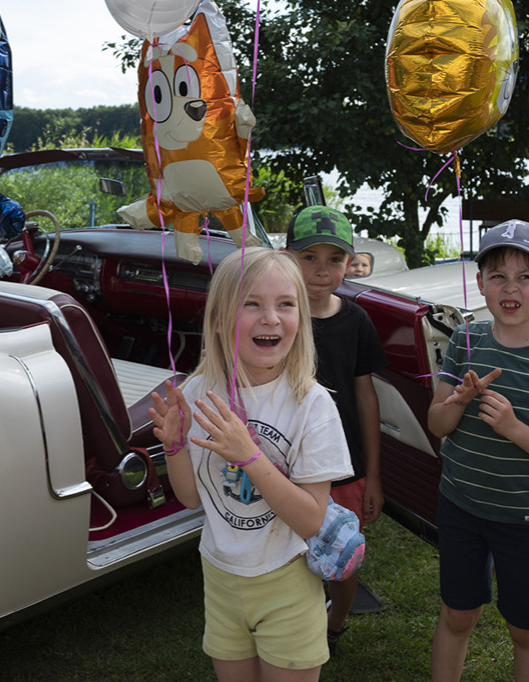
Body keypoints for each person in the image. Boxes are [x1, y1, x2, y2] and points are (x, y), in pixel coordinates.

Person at [150, 247, 353, 681]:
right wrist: (174, 448)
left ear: (302, 317)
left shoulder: (311, 405)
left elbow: (312, 519)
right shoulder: (200, 390)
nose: (271, 318)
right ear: (221, 319)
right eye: (252, 304)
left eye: (285, 304)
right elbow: (189, 499)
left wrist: (250, 457)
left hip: (287, 583)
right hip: (221, 579)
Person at [427, 220, 529, 681]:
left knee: (526, 630)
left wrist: (514, 428)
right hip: (461, 507)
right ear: (480, 284)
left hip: (525, 518)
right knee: (457, 615)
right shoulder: (465, 341)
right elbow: (437, 425)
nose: (510, 287)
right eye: (497, 275)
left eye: (525, 276)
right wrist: (456, 402)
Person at [283, 205, 388, 654]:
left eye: (334, 259)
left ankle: (337, 619)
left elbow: (367, 396)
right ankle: (290, 623)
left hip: (344, 465)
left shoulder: (357, 321)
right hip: (284, 461)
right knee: (288, 553)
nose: (322, 270)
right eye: (309, 257)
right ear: (287, 257)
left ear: (350, 264)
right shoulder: (275, 317)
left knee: (342, 554)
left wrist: (375, 476)